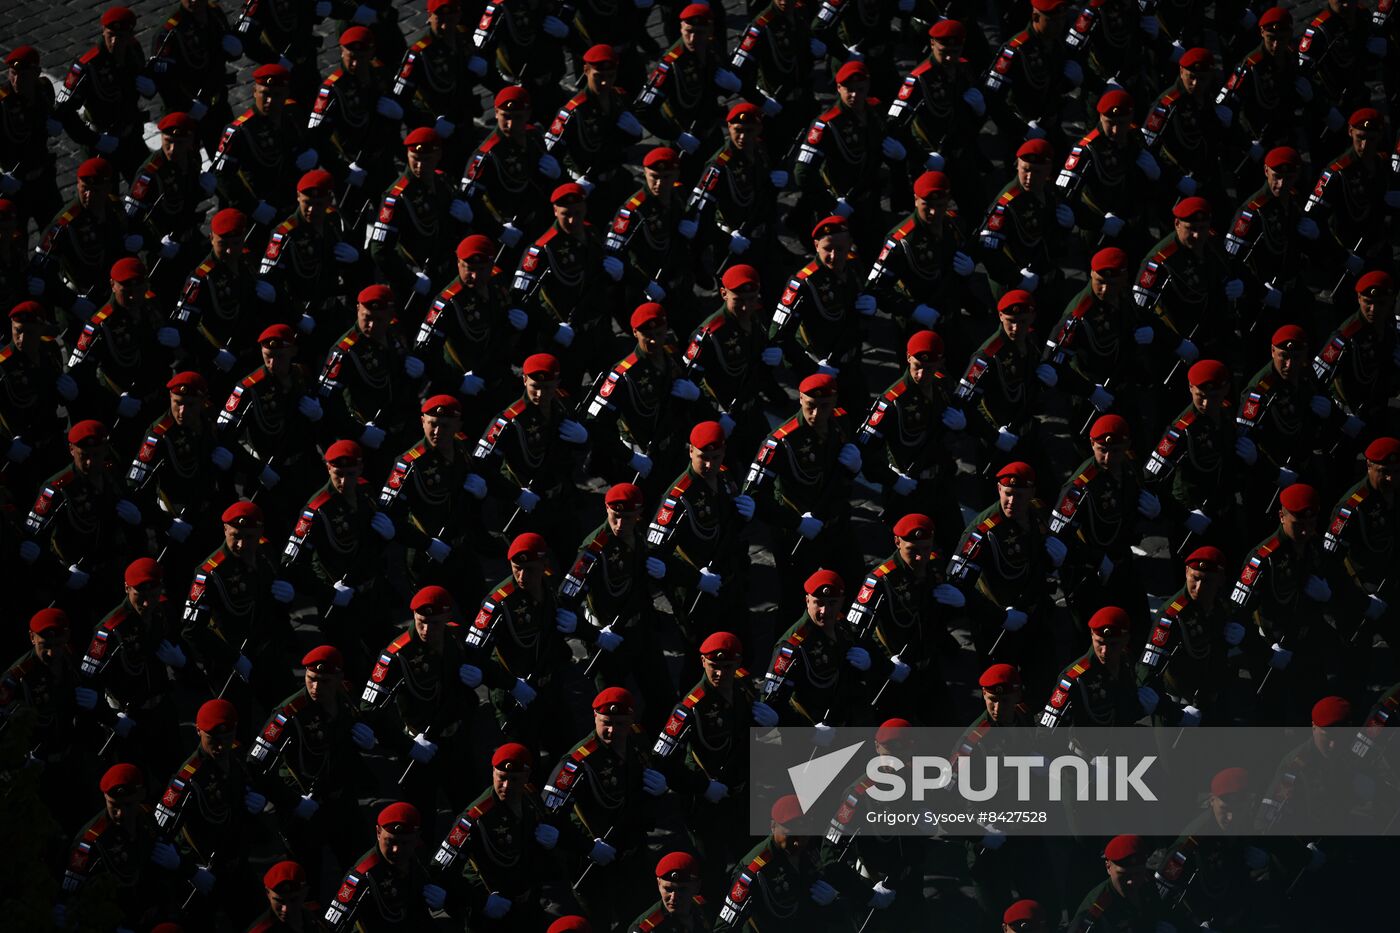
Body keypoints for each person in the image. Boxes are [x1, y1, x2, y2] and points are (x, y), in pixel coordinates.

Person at [360, 585, 503, 821]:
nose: (426, 630)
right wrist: (407, 745)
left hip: (456, 740)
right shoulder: (396, 655)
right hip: (420, 745)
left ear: (447, 617)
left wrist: (487, 676)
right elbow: (370, 708)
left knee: (469, 809)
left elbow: (481, 662)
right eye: (420, 621)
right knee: (420, 818)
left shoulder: (455, 638)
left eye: (434, 623)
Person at [249, 645, 375, 883]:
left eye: (324, 681)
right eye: (311, 679)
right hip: (306, 808)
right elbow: (255, 763)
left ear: (339, 678)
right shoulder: (288, 714)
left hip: (342, 801)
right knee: (307, 881)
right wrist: (292, 801)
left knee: (360, 869)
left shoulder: (344, 697)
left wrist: (367, 740)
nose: (316, 688)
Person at [543, 687, 666, 930]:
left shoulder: (637, 740)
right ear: (595, 719)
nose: (612, 731)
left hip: (632, 850)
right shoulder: (577, 762)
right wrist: (588, 847)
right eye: (606, 723)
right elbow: (550, 814)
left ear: (631, 720)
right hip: (596, 860)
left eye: (620, 724)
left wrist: (660, 789)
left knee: (637, 918)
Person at [745, 374, 864, 618]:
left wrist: (855, 467)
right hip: (797, 536)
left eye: (825, 406)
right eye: (810, 406)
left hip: (836, 525)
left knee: (852, 584)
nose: (817, 414)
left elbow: (839, 475)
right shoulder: (780, 442)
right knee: (793, 603)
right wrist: (796, 522)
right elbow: (754, 494)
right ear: (800, 399)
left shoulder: (840, 422)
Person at [429, 741, 575, 930]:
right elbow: (440, 869)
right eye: (501, 778)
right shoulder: (475, 818)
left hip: (528, 901)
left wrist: (553, 837)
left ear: (527, 776)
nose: (506, 786)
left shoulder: (530, 797)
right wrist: (481, 902)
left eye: (514, 779)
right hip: (493, 912)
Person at [377, 394, 489, 602]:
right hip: (426, 556)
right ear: (422, 422)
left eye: (445, 426)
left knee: (476, 608)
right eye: (432, 424)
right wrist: (427, 544)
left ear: (458, 425)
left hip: (462, 549)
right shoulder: (408, 465)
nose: (437, 432)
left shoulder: (462, 449)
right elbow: (389, 517)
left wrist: (481, 494)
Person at [79, 557, 183, 777]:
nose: (146, 603)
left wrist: (180, 664)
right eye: (140, 595)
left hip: (162, 709)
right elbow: (88, 682)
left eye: (153, 594)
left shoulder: (163, 610)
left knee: (172, 772)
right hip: (130, 718)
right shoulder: (108, 631)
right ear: (127, 588)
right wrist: (111, 718)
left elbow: (175, 640)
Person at [1137, 546, 1242, 723]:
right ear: (1186, 572)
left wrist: (1244, 634)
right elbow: (1147, 668)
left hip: (1213, 699)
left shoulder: (1222, 605)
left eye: (1207, 581)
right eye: (1195, 578)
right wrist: (1174, 713)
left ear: (1221, 580)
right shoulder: (1171, 616)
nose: (1199, 588)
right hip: (1179, 707)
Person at [59, 763, 170, 926]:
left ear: (141, 795)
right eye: (114, 806)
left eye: (128, 805)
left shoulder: (145, 817)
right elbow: (74, 897)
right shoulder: (91, 842)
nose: (120, 813)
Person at [324, 802, 439, 931]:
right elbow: (334, 926)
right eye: (390, 841)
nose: (396, 850)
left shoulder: (419, 852)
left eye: (405, 843)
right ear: (378, 832)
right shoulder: (364, 876)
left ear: (417, 837)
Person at [1067, 834, 1191, 931]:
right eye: (1123, 875)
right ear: (1108, 867)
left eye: (1138, 873)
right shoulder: (1096, 909)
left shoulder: (1147, 882)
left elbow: (1162, 912)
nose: (1131, 881)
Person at [627, 851, 711, 932]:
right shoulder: (644, 928)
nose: (674, 897)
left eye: (682, 890)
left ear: (697, 887)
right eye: (668, 889)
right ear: (658, 884)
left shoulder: (705, 907)